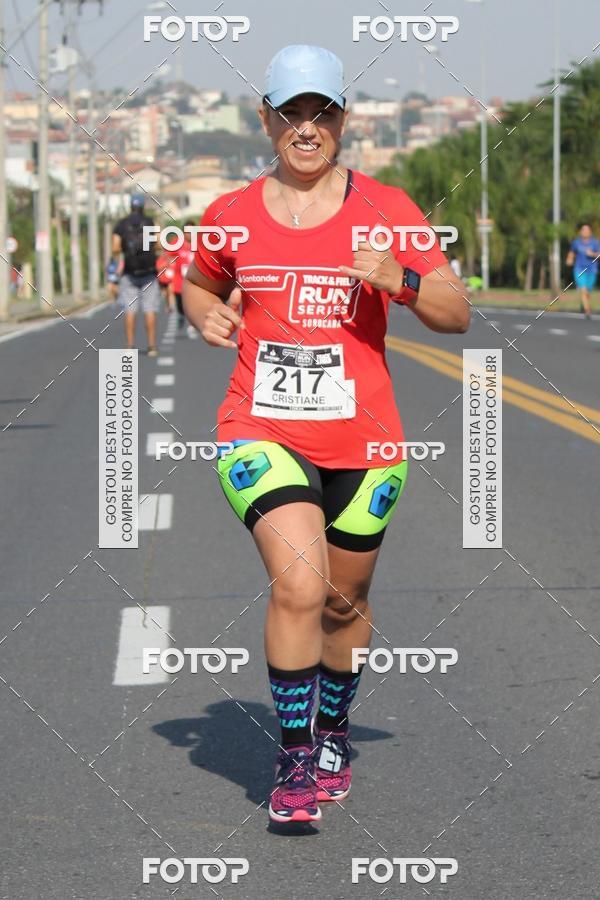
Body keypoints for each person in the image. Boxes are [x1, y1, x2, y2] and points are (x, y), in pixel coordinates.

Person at [183, 45, 470, 826]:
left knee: (345, 603)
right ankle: (294, 756)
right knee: (300, 586)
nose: (306, 128)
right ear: (265, 119)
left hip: (365, 443)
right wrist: (203, 313)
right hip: (260, 427)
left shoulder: (388, 208)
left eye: (323, 112)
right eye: (291, 113)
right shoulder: (231, 214)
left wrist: (399, 280)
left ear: (344, 119)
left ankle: (335, 727)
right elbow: (201, 281)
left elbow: (456, 312)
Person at [112, 194, 161, 355]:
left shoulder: (121, 225)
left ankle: (130, 346)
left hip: (129, 273)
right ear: (143, 206)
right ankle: (152, 346)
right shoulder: (150, 222)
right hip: (149, 272)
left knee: (130, 310)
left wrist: (127, 251)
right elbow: (159, 244)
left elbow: (115, 248)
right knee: (150, 309)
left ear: (130, 206)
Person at [566, 223, 600, 319]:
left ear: (590, 232)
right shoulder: (576, 243)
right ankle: (587, 310)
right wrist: (569, 259)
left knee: (587, 291)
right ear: (580, 232)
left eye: (586, 230)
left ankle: (583, 305)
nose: (585, 232)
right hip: (579, 269)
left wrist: (592, 254)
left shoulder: (595, 243)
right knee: (583, 290)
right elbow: (572, 252)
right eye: (583, 230)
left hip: (592, 270)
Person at [169, 221, 196, 329]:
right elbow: (167, 254)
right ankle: (181, 315)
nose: (190, 234)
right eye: (188, 232)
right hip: (179, 280)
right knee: (180, 303)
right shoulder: (177, 242)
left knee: (193, 301)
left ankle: (193, 322)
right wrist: (170, 264)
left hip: (194, 280)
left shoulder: (200, 243)